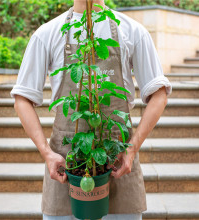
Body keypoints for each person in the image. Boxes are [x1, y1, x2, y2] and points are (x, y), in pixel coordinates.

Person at [10, 0, 172, 219]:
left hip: (118, 159)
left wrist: (131, 150)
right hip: (66, 165)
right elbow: (22, 98)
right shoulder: (47, 33)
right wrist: (47, 153)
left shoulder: (132, 31)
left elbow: (159, 94)